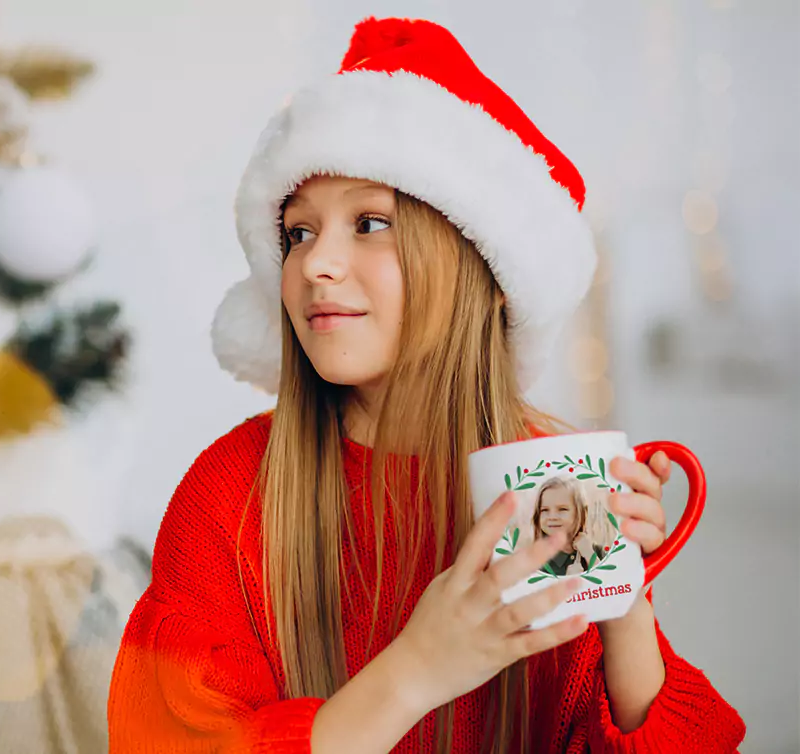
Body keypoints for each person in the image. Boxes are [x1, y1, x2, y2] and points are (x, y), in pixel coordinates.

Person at [107, 17, 745, 753]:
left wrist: (622, 600)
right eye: (298, 233)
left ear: (489, 270)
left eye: (370, 222)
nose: (315, 265)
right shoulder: (228, 499)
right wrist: (415, 672)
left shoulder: (553, 478)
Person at [533, 475, 607, 577]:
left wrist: (590, 556)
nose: (552, 517)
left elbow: (612, 586)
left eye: (562, 509)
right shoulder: (536, 563)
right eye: (545, 510)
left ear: (582, 512)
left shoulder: (597, 552)